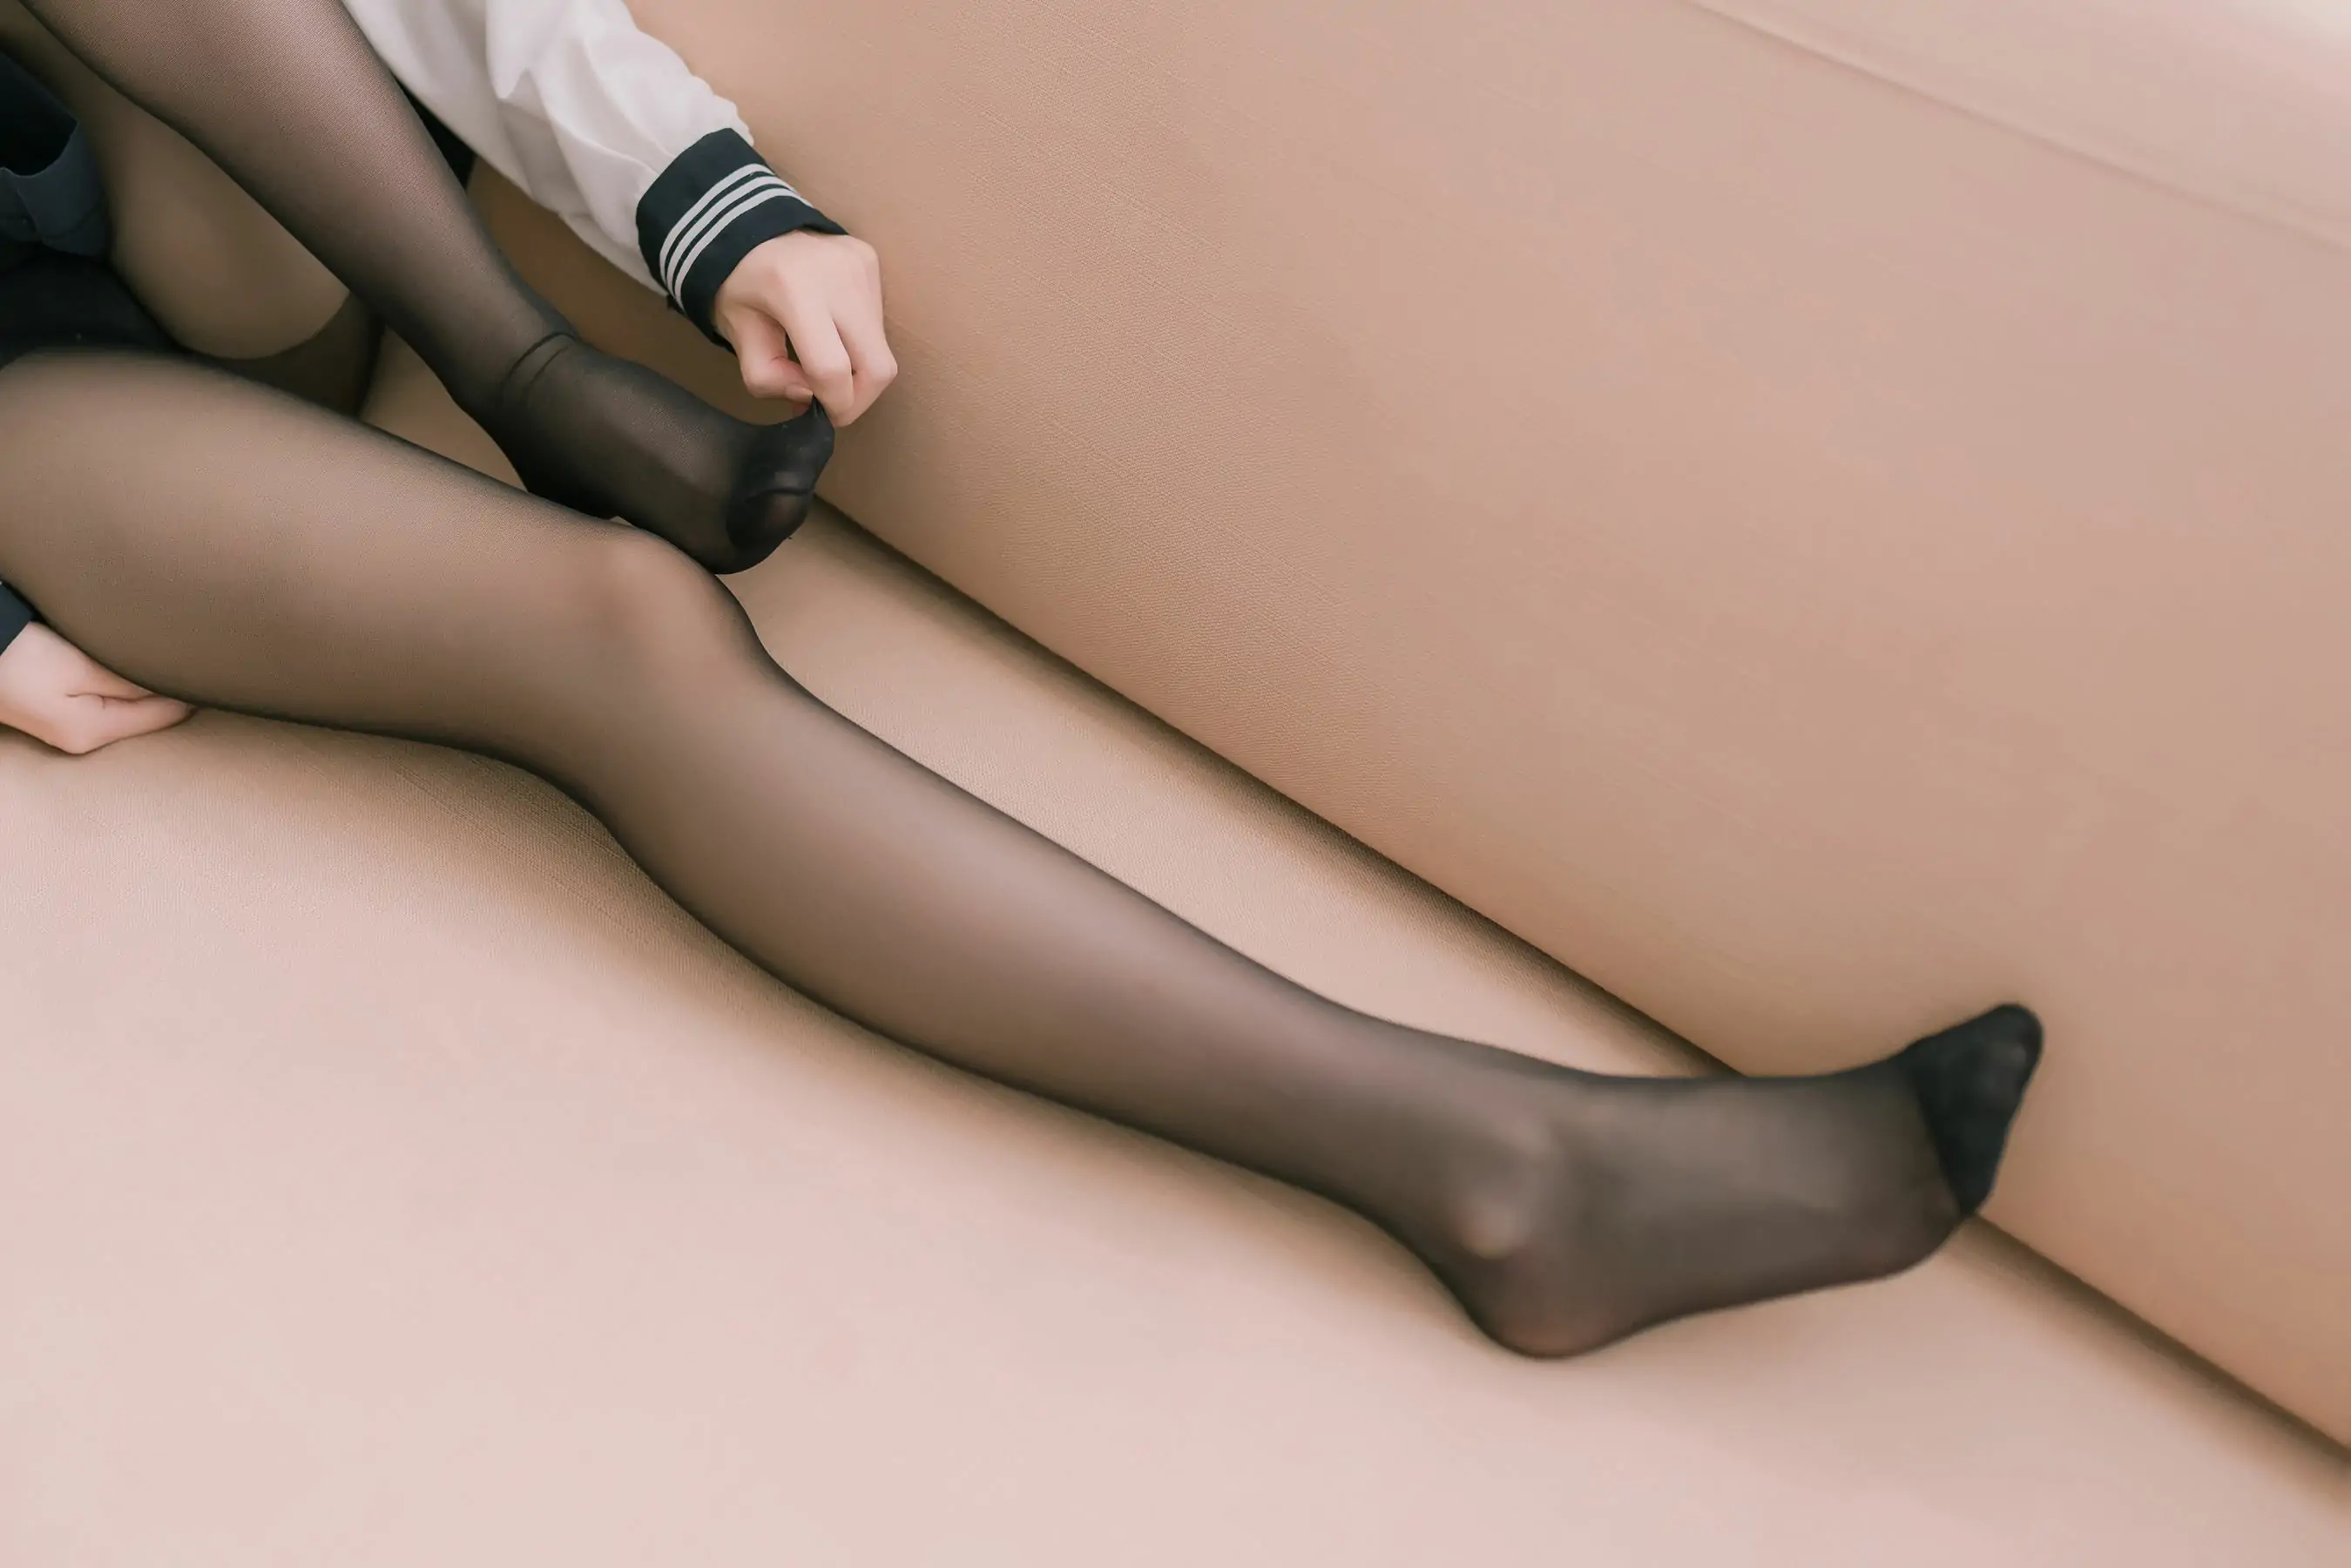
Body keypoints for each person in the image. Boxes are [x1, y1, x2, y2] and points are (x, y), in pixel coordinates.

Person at [0, 0, 2043, 1360]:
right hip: (33, 408)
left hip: (216, 207)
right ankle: (1505, 1172)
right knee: (611, 626)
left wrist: (712, 215)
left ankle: (526, 368)